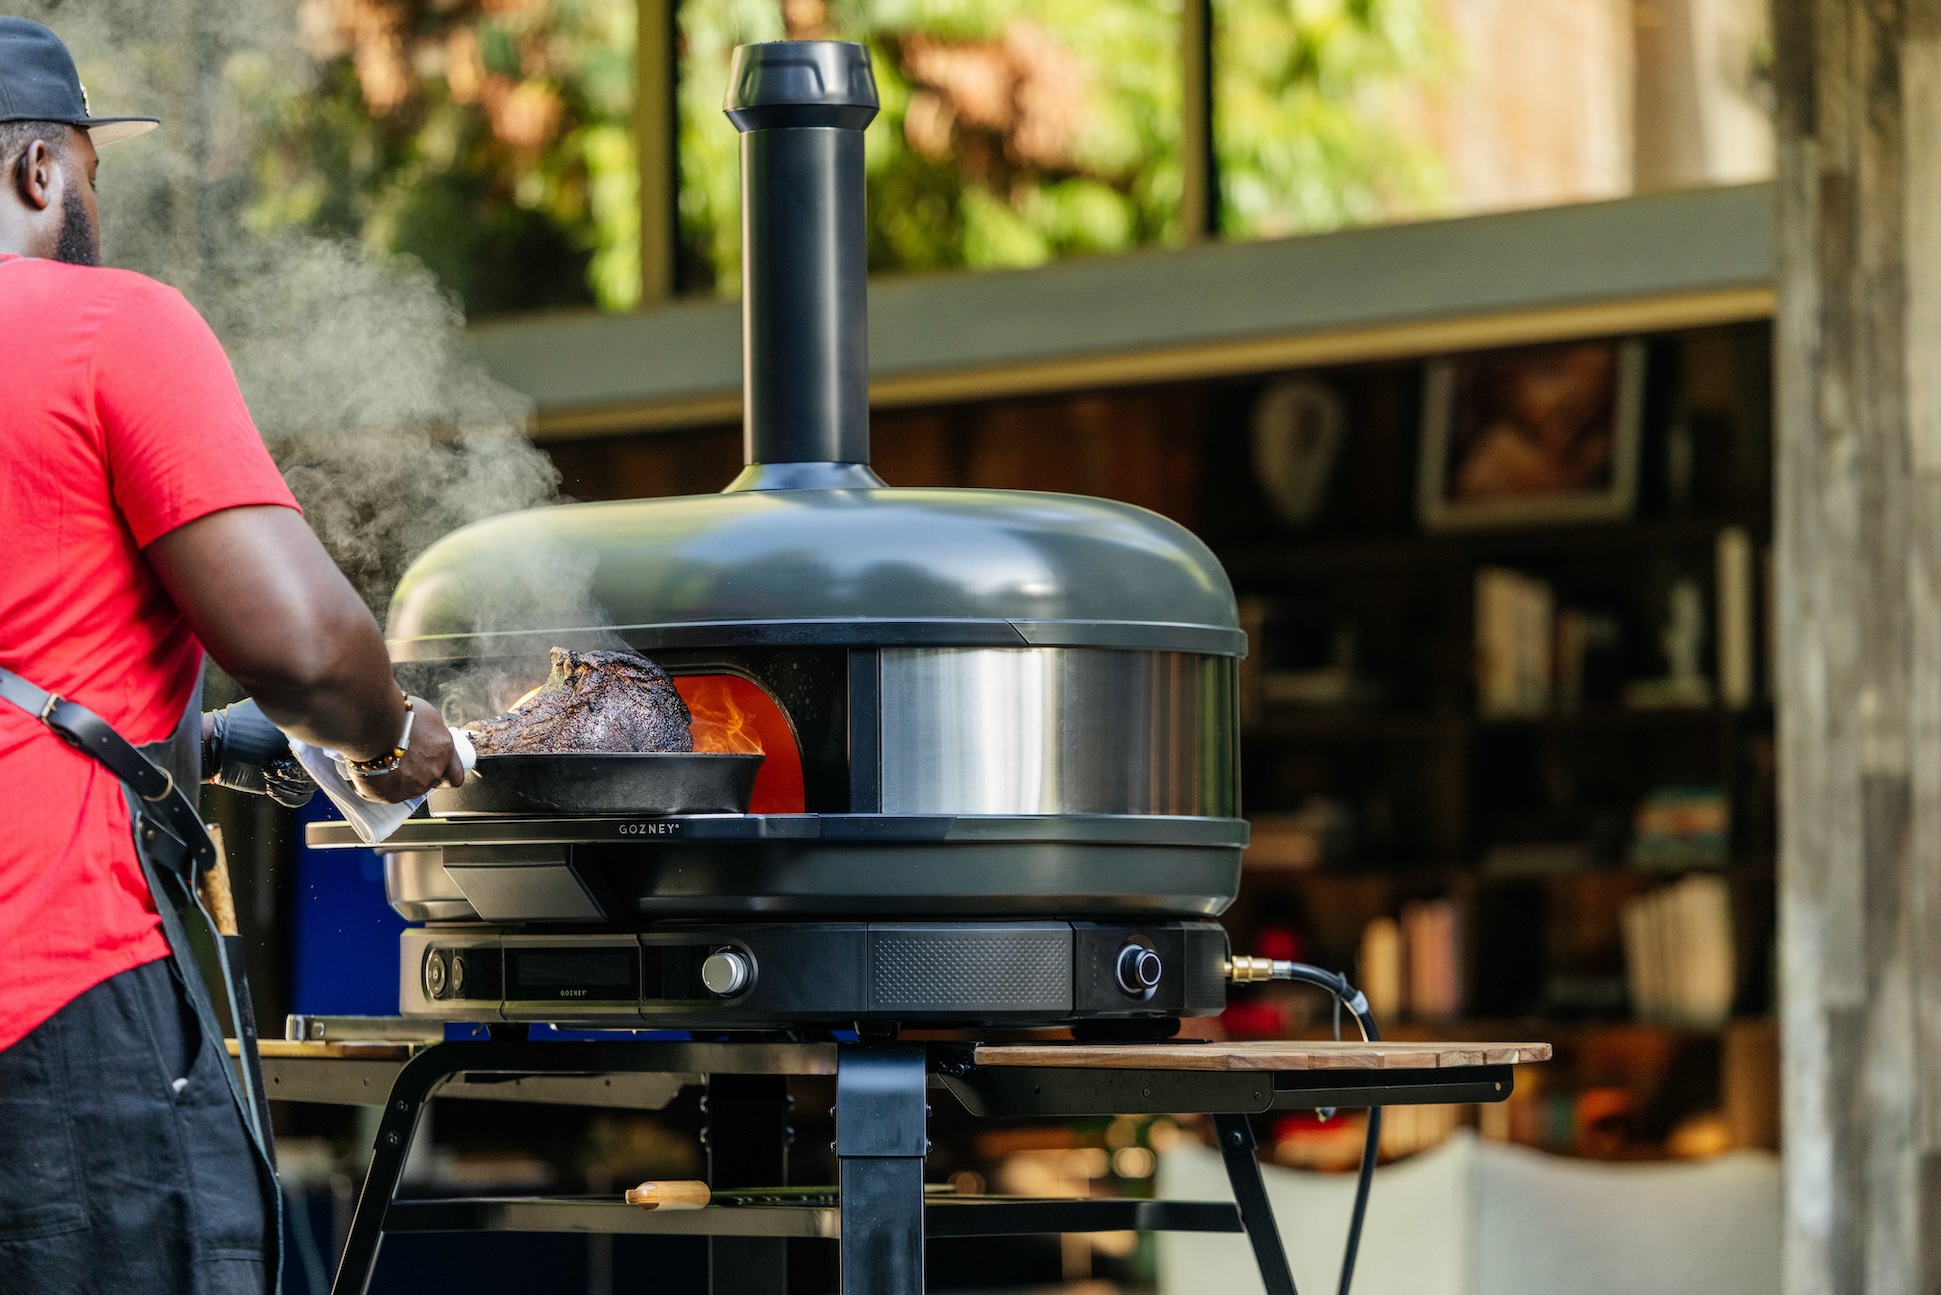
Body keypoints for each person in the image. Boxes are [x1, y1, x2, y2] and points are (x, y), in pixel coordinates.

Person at [0, 18, 464, 1294]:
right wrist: (386, 734)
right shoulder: (110, 327)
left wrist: (237, 739)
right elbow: (309, 648)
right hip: (49, 1000)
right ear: (42, 169)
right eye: (92, 174)